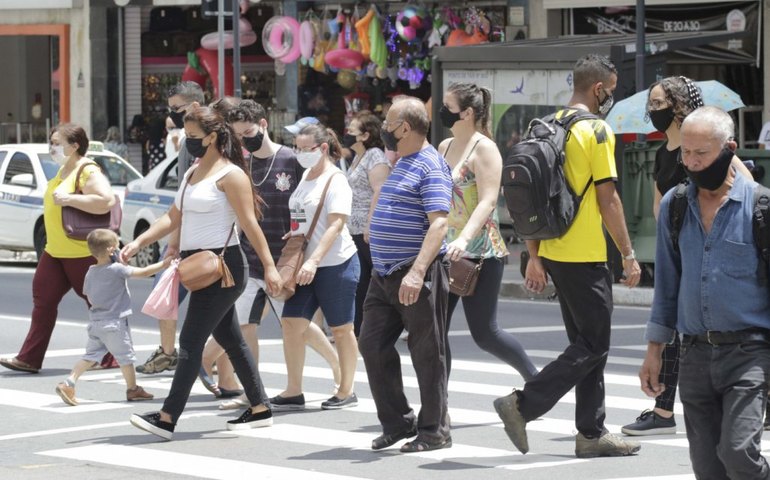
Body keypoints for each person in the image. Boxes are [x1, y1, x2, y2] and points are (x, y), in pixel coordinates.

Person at [493, 54, 642, 458]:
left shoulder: (543, 123)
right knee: (593, 344)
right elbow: (608, 199)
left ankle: (591, 434)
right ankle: (523, 404)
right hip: (585, 253)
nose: (611, 97)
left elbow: (531, 199)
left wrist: (535, 255)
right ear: (599, 89)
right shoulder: (595, 130)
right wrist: (627, 253)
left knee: (587, 345)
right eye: (610, 91)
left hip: (553, 248)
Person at [122, 106, 281, 440]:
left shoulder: (231, 175)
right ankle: (260, 408)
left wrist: (269, 267)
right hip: (198, 266)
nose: (187, 142)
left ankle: (167, 417)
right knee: (231, 340)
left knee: (190, 340)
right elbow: (172, 217)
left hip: (224, 267)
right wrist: (139, 241)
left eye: (193, 137)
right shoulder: (192, 173)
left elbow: (249, 224)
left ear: (212, 137)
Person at [640, 106, 770, 479]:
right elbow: (666, 285)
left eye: (702, 154)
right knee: (707, 468)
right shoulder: (675, 206)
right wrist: (654, 353)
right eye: (686, 153)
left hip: (749, 355)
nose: (692, 163)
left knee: (738, 453)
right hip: (694, 354)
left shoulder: (761, 208)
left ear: (729, 148)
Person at [621, 76, 755, 437]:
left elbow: (747, 189)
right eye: (650, 103)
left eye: (660, 102)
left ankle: (665, 410)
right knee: (679, 328)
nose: (653, 110)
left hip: (720, 251)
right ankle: (664, 410)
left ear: (679, 104)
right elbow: (658, 203)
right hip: (684, 251)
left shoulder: (709, 145)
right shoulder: (665, 154)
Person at [199, 100, 341, 408]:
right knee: (245, 325)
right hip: (250, 257)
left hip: (285, 259)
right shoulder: (241, 166)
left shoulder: (291, 159)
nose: (244, 140)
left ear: (264, 125)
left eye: (248, 132)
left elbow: (309, 199)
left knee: (297, 325)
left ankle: (338, 367)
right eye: (238, 135)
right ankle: (255, 391)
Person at [358, 96, 453, 453]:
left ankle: (434, 431)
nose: (384, 127)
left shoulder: (429, 164)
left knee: (427, 354)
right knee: (371, 344)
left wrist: (417, 273)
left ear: (406, 128)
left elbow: (439, 222)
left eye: (389, 122)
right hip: (384, 275)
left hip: (414, 274)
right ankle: (398, 422)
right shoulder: (403, 161)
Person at [437, 82, 537, 381]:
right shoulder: (444, 146)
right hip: (444, 250)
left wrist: (465, 237)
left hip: (480, 252)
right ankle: (437, 406)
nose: (442, 112)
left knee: (485, 334)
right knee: (434, 330)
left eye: (448, 107)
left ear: (466, 113)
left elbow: (489, 200)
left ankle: (536, 381)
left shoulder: (485, 148)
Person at [0, 124, 117, 374]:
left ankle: (112, 353)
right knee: (43, 301)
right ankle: (29, 358)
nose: (52, 148)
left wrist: (70, 198)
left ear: (74, 146)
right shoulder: (63, 170)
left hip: (81, 253)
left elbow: (106, 200)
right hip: (54, 251)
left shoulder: (87, 170)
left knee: (98, 304)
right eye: (51, 142)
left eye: (56, 142)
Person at [269, 123, 361, 411]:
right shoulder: (307, 175)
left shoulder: (336, 180)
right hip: (305, 263)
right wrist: (296, 234)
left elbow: (336, 224)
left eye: (305, 149)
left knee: (342, 329)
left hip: (336, 263)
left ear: (322, 148)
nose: (299, 153)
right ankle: (293, 389)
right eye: (297, 147)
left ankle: (346, 389)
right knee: (291, 323)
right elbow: (303, 214)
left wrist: (314, 260)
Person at [55, 229, 170, 406]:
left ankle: (69, 382)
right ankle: (133, 389)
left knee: (90, 356)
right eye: (118, 245)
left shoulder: (91, 271)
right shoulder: (117, 269)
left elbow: (90, 296)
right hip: (115, 322)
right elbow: (144, 272)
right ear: (111, 250)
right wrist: (164, 264)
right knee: (126, 358)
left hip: (96, 322)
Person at [135, 81, 203, 376]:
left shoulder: (215, 139)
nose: (173, 115)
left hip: (213, 237)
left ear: (196, 106)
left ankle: (202, 365)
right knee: (165, 290)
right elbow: (182, 197)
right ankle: (169, 353)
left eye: (178, 109)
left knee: (223, 315)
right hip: (188, 231)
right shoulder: (189, 142)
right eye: (171, 110)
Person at [340, 111, 391, 337]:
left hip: (367, 228)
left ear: (365, 135)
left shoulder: (375, 156)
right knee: (360, 281)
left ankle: (391, 323)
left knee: (378, 278)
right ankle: (361, 328)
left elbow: (379, 190)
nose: (347, 134)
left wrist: (371, 224)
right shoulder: (358, 158)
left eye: (352, 131)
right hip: (354, 228)